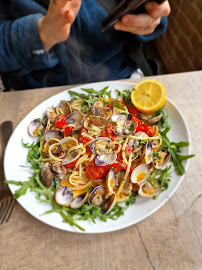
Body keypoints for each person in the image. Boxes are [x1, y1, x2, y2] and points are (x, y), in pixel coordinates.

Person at [0, 0, 170, 90]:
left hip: (123, 77)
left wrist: (152, 18)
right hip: (38, 91)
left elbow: (155, 15)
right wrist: (41, 34)